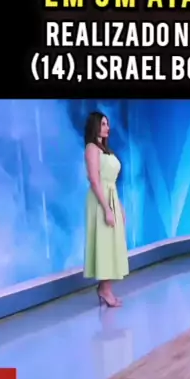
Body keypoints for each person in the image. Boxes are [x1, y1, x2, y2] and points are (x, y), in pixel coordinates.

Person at [83, 111, 129, 307]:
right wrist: (107, 209)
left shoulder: (105, 150)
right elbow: (95, 180)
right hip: (100, 200)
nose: (107, 128)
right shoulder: (91, 148)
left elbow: (111, 183)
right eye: (103, 124)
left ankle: (105, 288)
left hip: (111, 197)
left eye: (107, 124)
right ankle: (105, 290)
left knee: (112, 244)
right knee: (105, 244)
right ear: (95, 126)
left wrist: (118, 206)